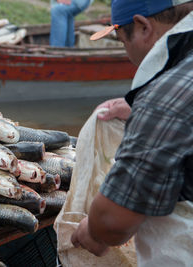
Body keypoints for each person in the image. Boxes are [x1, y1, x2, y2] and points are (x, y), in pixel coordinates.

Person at [70, 0, 193, 265]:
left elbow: (113, 221)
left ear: (143, 27)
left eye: (122, 41)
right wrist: (141, 109)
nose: (127, 53)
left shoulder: (164, 99)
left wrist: (92, 232)